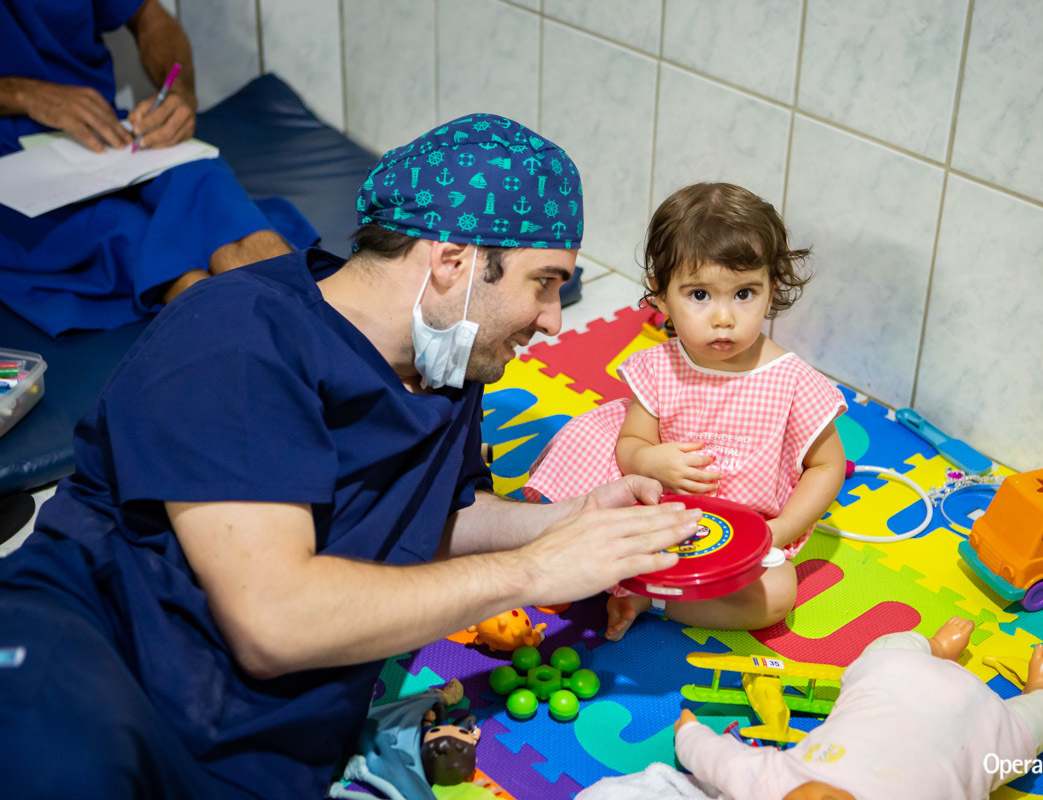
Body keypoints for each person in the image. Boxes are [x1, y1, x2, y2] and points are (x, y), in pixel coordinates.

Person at [0, 113, 700, 800]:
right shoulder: (238, 337)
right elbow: (274, 623)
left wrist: (568, 523)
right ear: (453, 259)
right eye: (544, 282)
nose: (553, 318)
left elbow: (434, 518)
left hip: (260, 755)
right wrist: (532, 571)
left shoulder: (446, 369)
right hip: (96, 664)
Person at [524, 182, 847, 641]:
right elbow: (630, 444)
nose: (724, 317)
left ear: (771, 288)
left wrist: (782, 529)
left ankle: (648, 598)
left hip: (747, 536)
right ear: (661, 294)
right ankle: (639, 584)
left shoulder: (792, 380)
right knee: (577, 528)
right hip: (660, 520)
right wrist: (650, 460)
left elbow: (828, 465)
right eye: (699, 295)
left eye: (744, 294)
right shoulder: (659, 368)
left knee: (776, 598)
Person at [0, 0, 314, 336]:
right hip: (11, 168)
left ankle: (326, 335)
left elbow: (150, 18)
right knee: (127, 234)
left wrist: (179, 92)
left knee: (210, 189)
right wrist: (24, 94)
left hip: (111, 135)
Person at [671, 617, 1043, 800]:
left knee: (881, 651)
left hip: (898, 677)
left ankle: (935, 647)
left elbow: (717, 759)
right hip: (992, 732)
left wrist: (687, 732)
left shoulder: (770, 782)